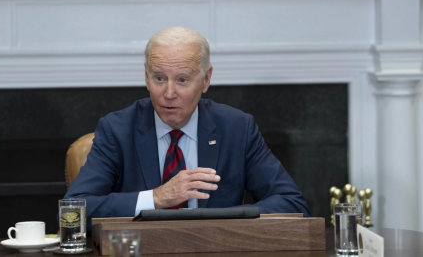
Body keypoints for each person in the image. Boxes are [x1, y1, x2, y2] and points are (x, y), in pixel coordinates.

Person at [64, 27, 310, 231]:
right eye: (159, 78)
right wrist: (157, 198)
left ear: (205, 80)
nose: (169, 94)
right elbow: (72, 212)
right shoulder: (117, 130)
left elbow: (292, 204)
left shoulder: (237, 128)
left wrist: (225, 222)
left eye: (182, 80)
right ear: (146, 77)